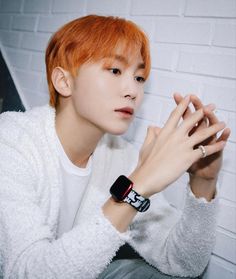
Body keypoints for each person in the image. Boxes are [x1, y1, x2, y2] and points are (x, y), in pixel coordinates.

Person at [0, 14, 231, 279]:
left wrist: (203, 183)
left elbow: (182, 263)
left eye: (140, 77)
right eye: (115, 70)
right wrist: (139, 185)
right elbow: (26, 273)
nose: (133, 90)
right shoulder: (11, 141)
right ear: (64, 82)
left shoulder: (122, 156)